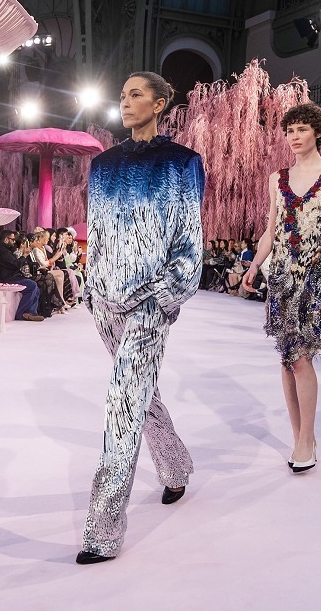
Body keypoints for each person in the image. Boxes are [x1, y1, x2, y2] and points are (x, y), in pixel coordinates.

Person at [77, 71, 205, 564]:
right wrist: (92, 288)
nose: (125, 102)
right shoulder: (102, 166)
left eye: (136, 95)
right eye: (122, 95)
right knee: (141, 394)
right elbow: (96, 232)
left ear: (160, 103)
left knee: (123, 403)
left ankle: (102, 530)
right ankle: (175, 467)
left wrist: (167, 294)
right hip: (105, 301)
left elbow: (189, 238)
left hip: (152, 302)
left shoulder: (183, 162)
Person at [243, 102, 321, 474]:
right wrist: (254, 264)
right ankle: (300, 436)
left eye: (302, 129)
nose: (294, 137)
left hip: (320, 274)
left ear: (318, 132)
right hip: (283, 275)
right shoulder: (277, 178)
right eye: (290, 131)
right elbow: (271, 230)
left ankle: (306, 439)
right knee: (288, 358)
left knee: (302, 357)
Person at [0, 229, 43, 321]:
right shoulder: (2, 251)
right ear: (6, 239)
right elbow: (15, 265)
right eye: (12, 240)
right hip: (6, 278)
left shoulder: (7, 250)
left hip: (12, 276)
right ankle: (21, 313)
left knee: (35, 286)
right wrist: (24, 255)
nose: (14, 242)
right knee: (31, 285)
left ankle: (31, 312)